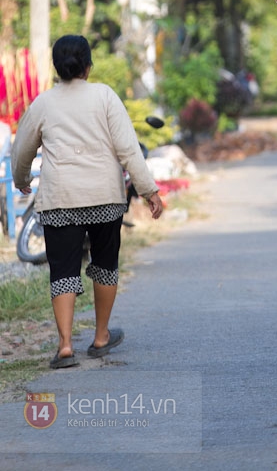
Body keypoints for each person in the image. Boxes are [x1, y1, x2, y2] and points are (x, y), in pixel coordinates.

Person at [11, 35, 164, 369]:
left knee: (63, 270)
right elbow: (128, 150)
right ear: (88, 65)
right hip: (104, 198)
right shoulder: (105, 96)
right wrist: (149, 191)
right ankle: (100, 335)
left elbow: (22, 149)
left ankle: (65, 346)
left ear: (56, 67)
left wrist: (21, 179)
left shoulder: (43, 103)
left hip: (60, 200)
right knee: (105, 264)